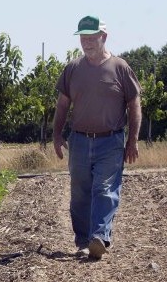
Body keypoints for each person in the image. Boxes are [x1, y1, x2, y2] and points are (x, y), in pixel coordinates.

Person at [53, 15, 142, 260]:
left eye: (92, 37)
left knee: (104, 189)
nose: (87, 42)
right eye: (83, 37)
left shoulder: (120, 68)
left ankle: (99, 238)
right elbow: (62, 105)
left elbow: (134, 103)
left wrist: (132, 140)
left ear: (104, 37)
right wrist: (57, 134)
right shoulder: (73, 69)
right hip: (79, 141)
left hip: (110, 141)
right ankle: (83, 241)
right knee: (80, 192)